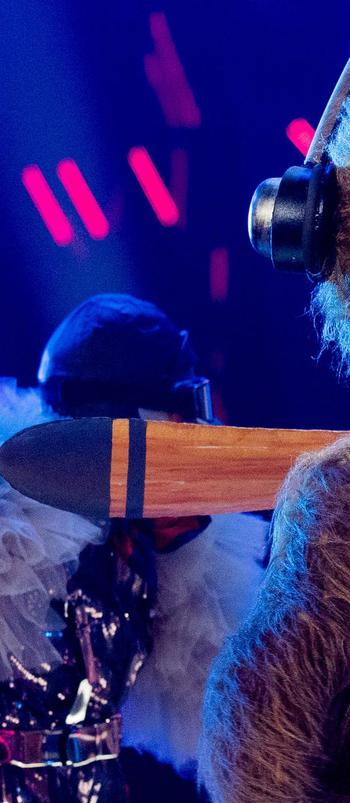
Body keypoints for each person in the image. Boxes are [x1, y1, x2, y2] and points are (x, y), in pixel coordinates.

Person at [0, 294, 266, 803]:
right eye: (174, 416)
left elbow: (223, 707)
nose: (192, 434)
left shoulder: (157, 548)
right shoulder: (16, 533)